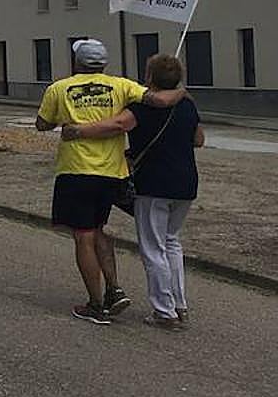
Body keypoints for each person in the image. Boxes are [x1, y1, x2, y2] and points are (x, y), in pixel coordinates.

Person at [36, 38, 186, 326]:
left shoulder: (59, 88)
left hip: (76, 171)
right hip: (112, 173)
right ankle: (114, 289)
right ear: (104, 63)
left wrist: (65, 122)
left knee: (82, 235)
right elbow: (158, 99)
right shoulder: (122, 86)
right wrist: (181, 91)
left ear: (76, 62)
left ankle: (95, 304)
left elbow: (42, 123)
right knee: (98, 229)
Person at [62, 54, 203, 330]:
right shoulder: (187, 104)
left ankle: (164, 312)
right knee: (172, 242)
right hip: (186, 182)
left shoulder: (141, 106)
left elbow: (117, 125)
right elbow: (199, 139)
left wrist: (79, 131)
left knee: (153, 248)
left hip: (154, 184)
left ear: (150, 77)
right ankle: (179, 304)